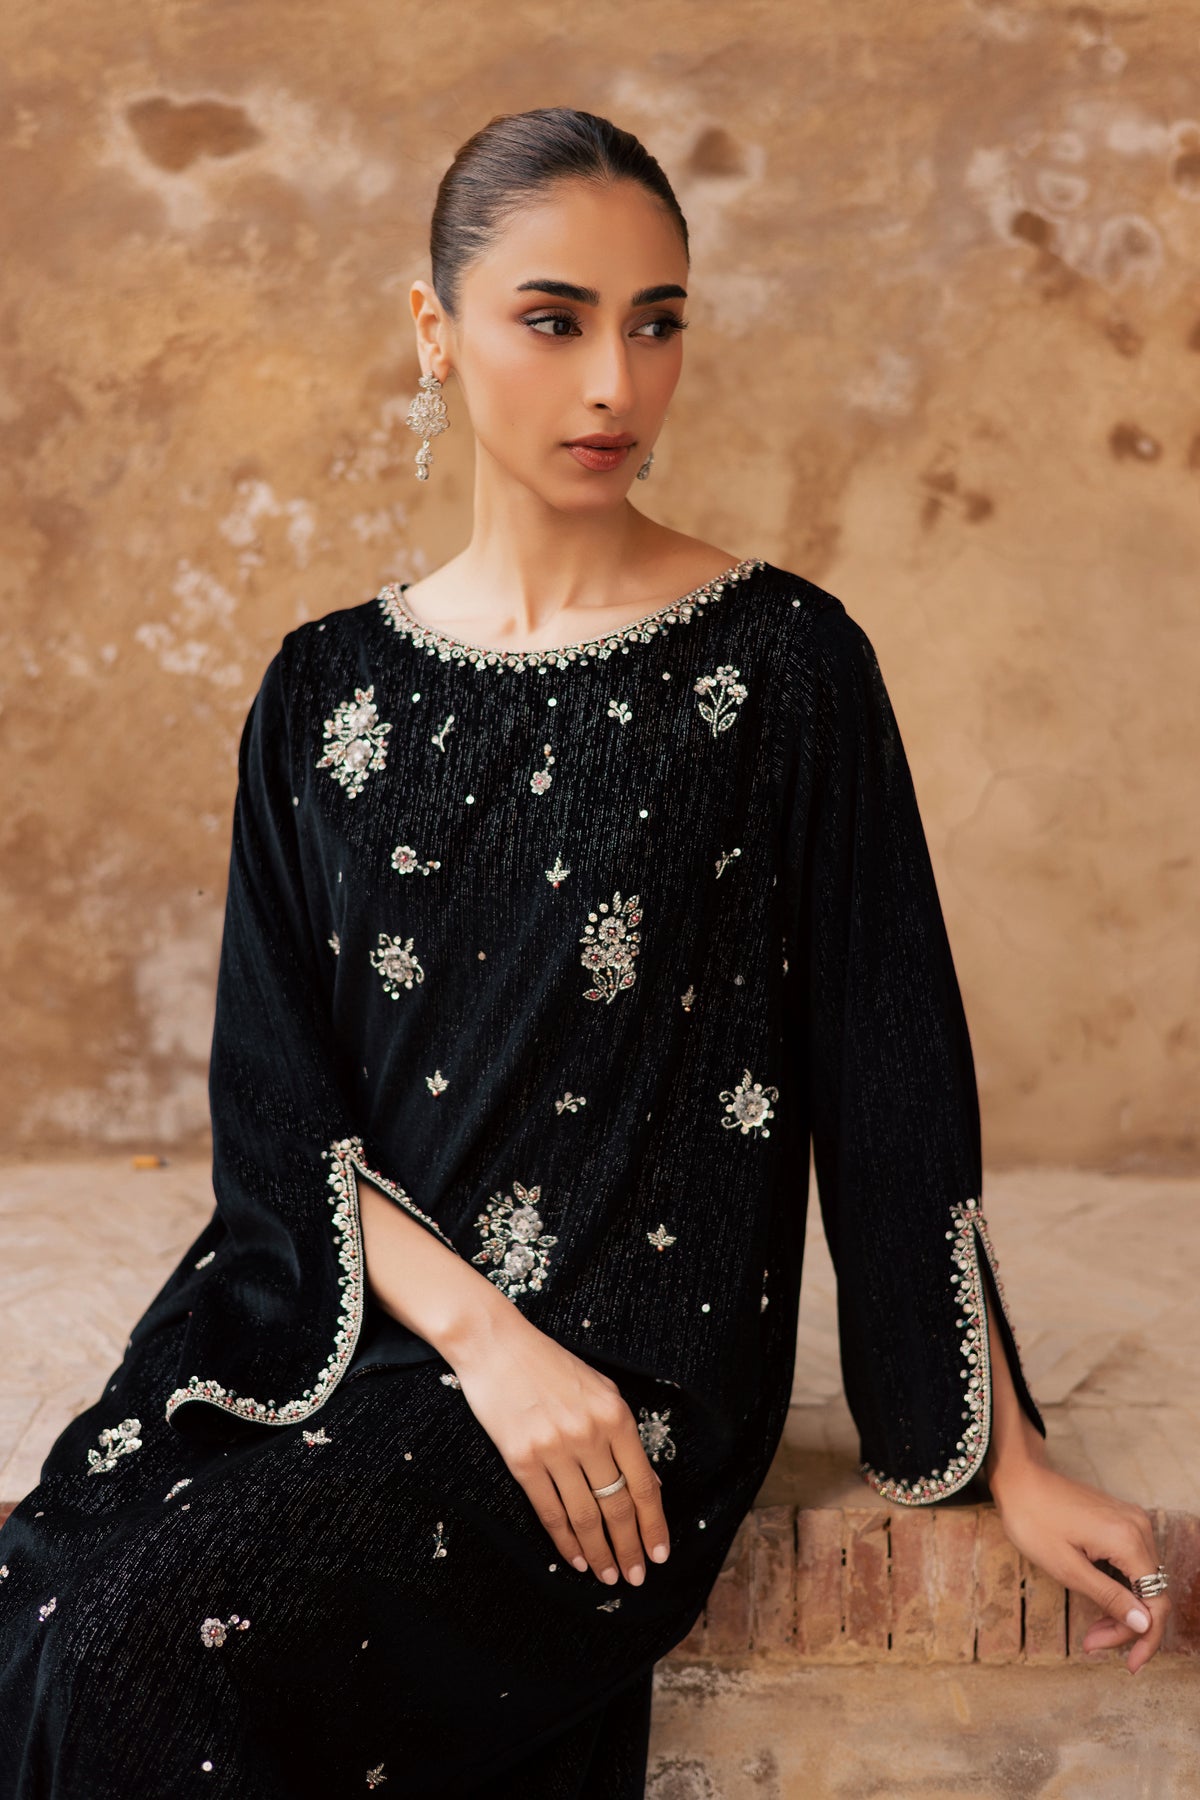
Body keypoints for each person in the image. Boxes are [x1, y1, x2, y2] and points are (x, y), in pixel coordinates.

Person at [0, 105, 1171, 1799]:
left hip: (633, 1369)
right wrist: (485, 1344)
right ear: (436, 331)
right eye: (554, 322)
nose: (616, 384)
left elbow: (891, 1079)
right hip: (346, 1320)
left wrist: (1012, 1452)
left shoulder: (784, 670)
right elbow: (275, 1105)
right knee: (49, 1611)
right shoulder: (322, 690)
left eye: (657, 322)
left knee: (156, 1658)